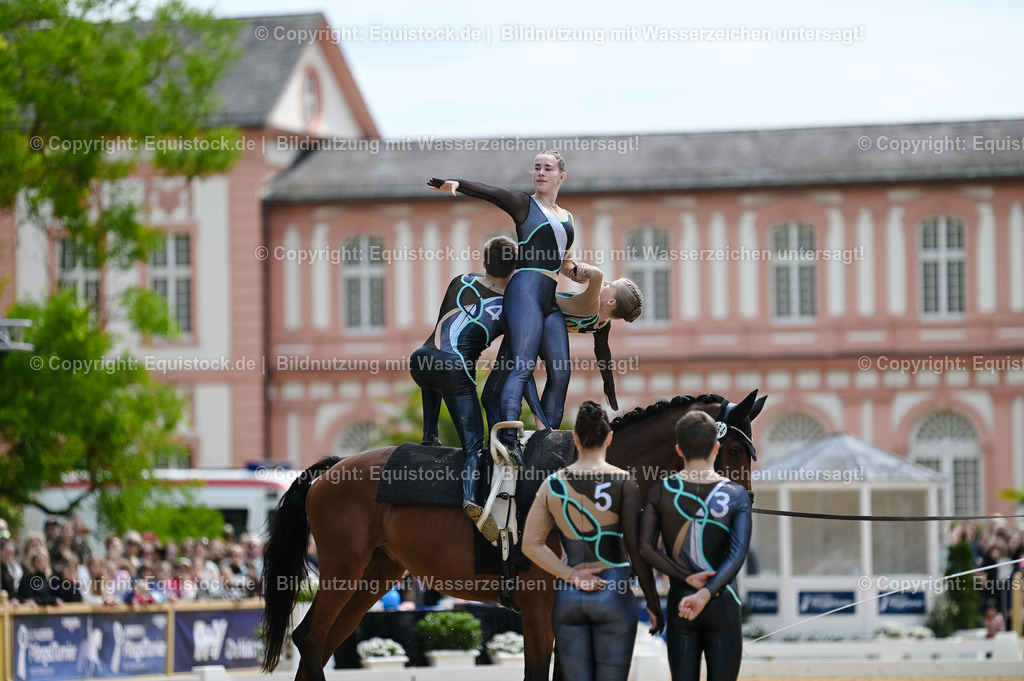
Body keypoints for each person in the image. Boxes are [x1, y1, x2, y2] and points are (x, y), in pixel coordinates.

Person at [429, 150, 585, 465]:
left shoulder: (567, 218)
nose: (541, 173)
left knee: (561, 371)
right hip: (524, 291)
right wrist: (459, 184)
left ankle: (547, 438)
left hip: (548, 298)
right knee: (523, 364)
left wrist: (583, 274)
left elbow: (564, 264)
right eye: (537, 167)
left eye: (548, 168)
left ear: (560, 176)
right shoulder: (525, 205)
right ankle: (510, 439)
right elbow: (493, 193)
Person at [522, 401, 663, 681]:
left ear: (575, 438)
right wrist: (653, 601)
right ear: (609, 437)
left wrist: (571, 575)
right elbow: (637, 548)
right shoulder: (623, 481)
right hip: (614, 593)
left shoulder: (554, 484)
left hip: (570, 596)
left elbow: (530, 544)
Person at [410, 236, 518, 540]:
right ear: (514, 268)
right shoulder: (512, 306)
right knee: (474, 445)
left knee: (433, 373)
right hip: (455, 369)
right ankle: (471, 499)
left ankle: (429, 434)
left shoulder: (463, 279)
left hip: (421, 360)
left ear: (484, 263)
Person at [640, 410, 752, 681]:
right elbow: (738, 554)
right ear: (716, 447)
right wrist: (707, 593)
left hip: (681, 603)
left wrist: (686, 578)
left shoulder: (661, 491)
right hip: (723, 602)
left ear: (679, 449)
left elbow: (645, 548)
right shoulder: (736, 495)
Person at [483, 266, 644, 427]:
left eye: (611, 285)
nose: (607, 282)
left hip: (529, 325)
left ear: (611, 302)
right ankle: (541, 422)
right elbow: (597, 275)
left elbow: (602, 353)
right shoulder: (590, 304)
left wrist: (609, 386)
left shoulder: (600, 322)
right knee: (528, 370)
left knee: (505, 381)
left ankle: (543, 427)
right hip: (522, 314)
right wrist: (578, 269)